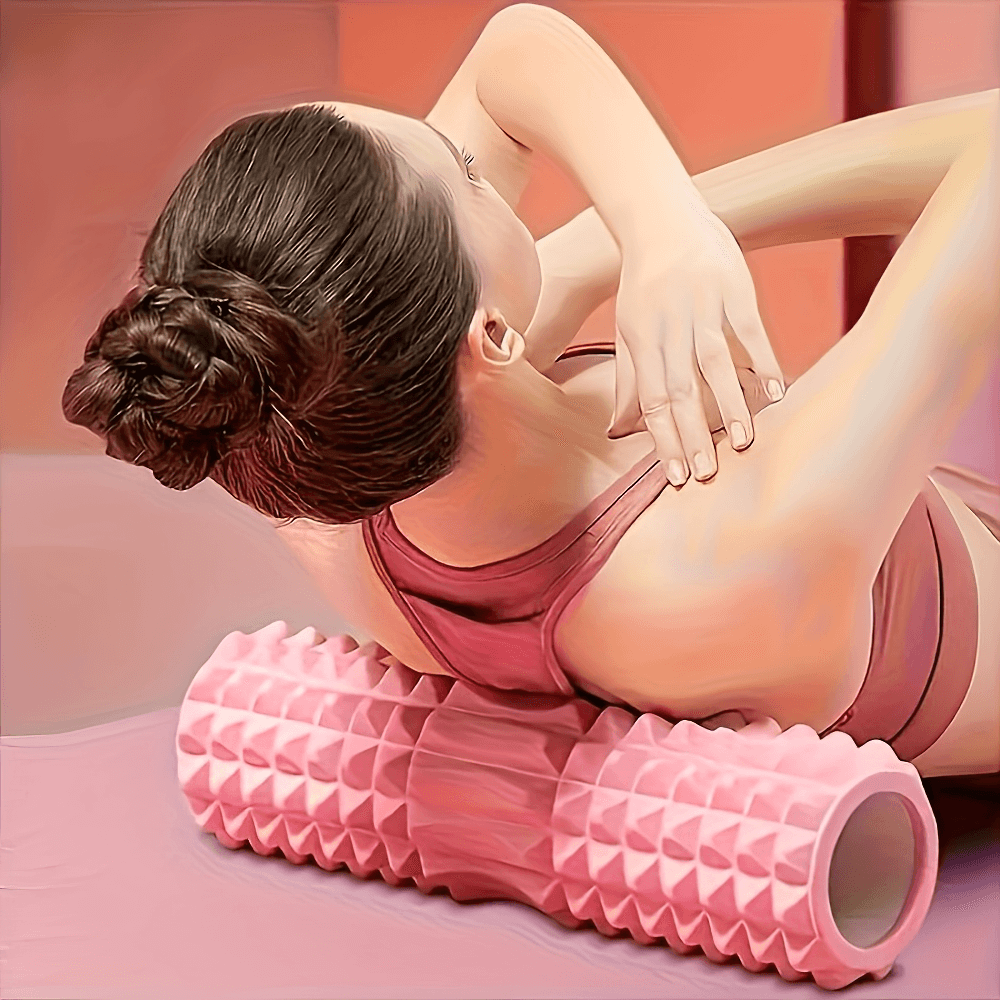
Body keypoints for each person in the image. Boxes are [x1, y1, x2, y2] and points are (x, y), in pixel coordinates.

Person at [62, 5, 999, 779]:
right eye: (469, 175)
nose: (482, 156)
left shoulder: (326, 458)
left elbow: (511, 52)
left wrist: (648, 225)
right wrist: (643, 231)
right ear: (494, 335)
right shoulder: (726, 559)